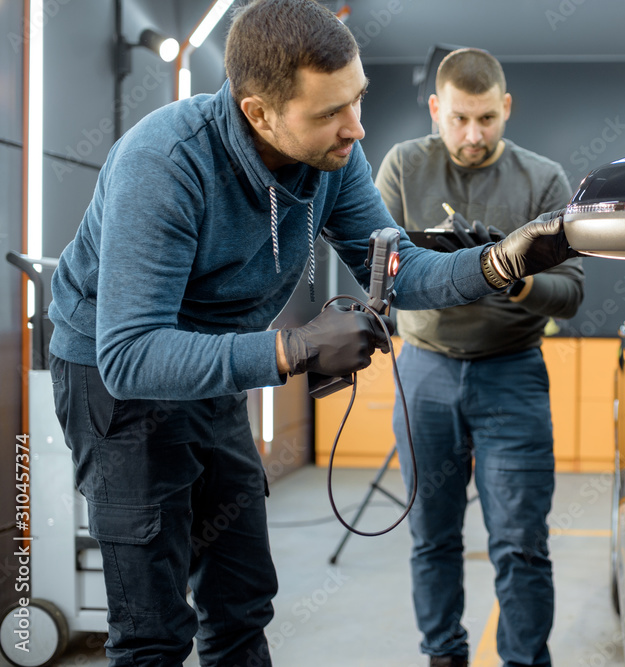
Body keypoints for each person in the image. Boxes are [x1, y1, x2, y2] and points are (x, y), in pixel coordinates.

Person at [46, 3, 577, 665]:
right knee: (154, 625)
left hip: (218, 359)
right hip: (113, 376)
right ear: (259, 113)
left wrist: (503, 260)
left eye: (357, 100)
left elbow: (400, 271)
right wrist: (293, 347)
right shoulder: (164, 164)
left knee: (242, 598)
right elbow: (129, 354)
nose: (355, 128)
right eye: (330, 112)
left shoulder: (334, 156)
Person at [374, 48, 585, 667]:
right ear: (436, 109)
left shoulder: (542, 180)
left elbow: (570, 296)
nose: (473, 134)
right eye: (460, 118)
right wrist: (467, 269)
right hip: (425, 370)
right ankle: (443, 655)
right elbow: (377, 274)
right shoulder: (403, 167)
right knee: (430, 539)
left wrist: (513, 277)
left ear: (506, 108)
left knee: (520, 543)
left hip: (512, 373)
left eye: (488, 119)